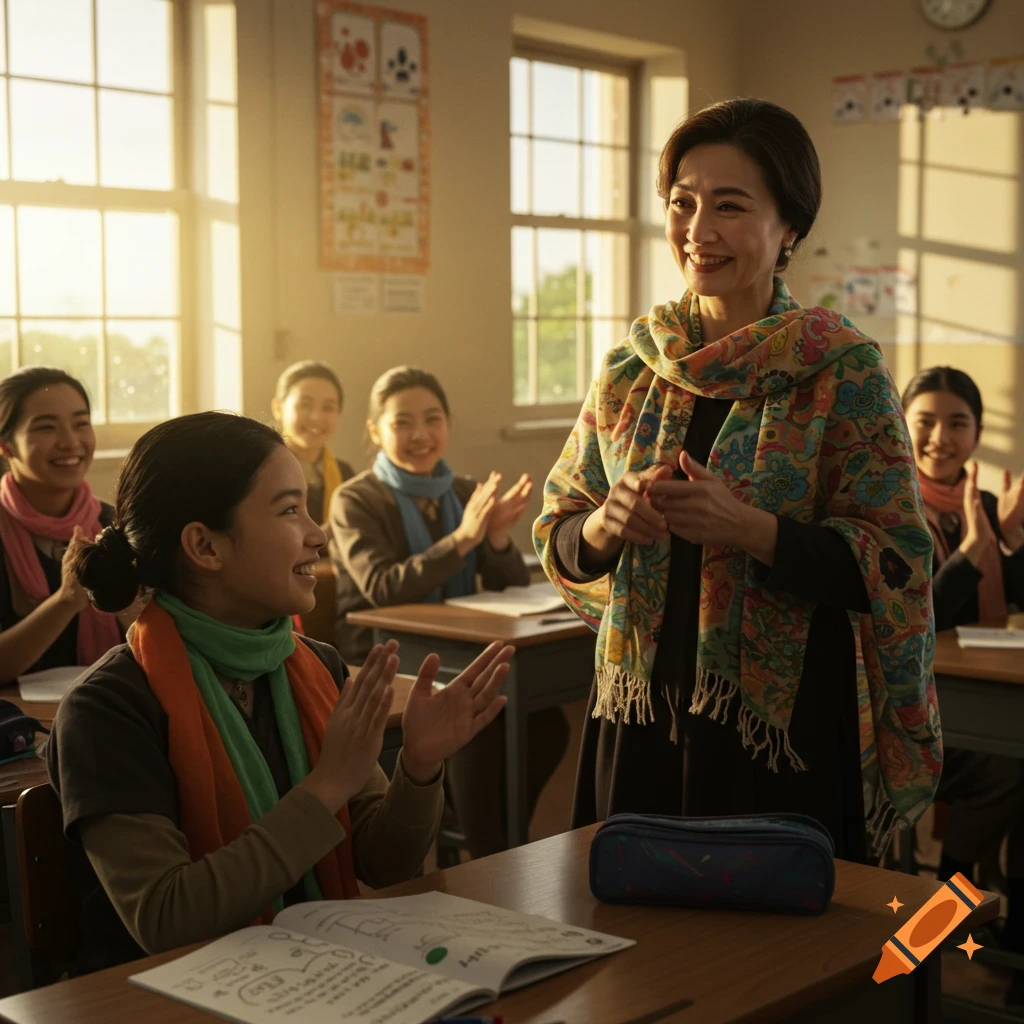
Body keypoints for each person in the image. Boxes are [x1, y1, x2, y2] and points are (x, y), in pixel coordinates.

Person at [534, 98, 941, 863]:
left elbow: (895, 563)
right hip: (640, 710)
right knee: (637, 951)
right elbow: (561, 532)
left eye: (729, 205)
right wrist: (602, 526)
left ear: (789, 227)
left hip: (781, 732)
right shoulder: (633, 366)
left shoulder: (840, 370)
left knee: (780, 961)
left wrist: (747, 527)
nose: (698, 230)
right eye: (682, 203)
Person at [49, 411, 512, 974]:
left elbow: (384, 863)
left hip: (313, 970)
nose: (317, 534)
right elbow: (167, 919)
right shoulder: (107, 708)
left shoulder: (316, 667)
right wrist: (327, 785)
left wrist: (418, 768)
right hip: (169, 997)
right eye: (290, 510)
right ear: (205, 546)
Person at [330, 365, 569, 857]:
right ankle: (488, 855)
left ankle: (503, 835)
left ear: (448, 425)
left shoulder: (463, 491)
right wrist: (462, 540)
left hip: (458, 648)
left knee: (546, 723)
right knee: (475, 724)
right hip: (382, 656)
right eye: (401, 423)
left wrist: (498, 537)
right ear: (375, 431)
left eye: (432, 419)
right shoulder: (355, 498)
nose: (420, 435)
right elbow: (382, 587)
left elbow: (505, 586)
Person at [902, 366, 1024, 980]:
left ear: (976, 434)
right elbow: (918, 621)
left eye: (958, 423)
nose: (940, 438)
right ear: (901, 425)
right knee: (1012, 764)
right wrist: (976, 552)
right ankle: (958, 881)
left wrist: (1014, 542)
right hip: (908, 716)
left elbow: (1012, 617)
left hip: (979, 697)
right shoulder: (888, 508)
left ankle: (1006, 923)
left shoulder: (989, 506)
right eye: (925, 421)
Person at [0, 367, 128, 683]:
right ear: (6, 447)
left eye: (81, 423)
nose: (70, 442)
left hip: (108, 708)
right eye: (46, 428)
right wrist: (66, 601)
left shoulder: (118, 525)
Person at [271, 360, 354, 526]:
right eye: (305, 405)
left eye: (328, 408)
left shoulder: (345, 476)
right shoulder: (260, 471)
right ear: (278, 408)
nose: (316, 417)